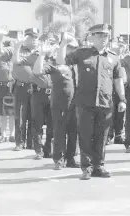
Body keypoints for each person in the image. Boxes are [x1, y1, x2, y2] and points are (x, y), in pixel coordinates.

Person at [58, 24, 126, 180]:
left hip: (106, 102)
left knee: (102, 136)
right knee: (85, 135)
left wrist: (122, 99)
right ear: (92, 37)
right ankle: (87, 167)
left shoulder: (113, 57)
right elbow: (62, 61)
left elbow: (118, 80)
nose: (104, 38)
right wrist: (63, 45)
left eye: (106, 36)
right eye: (100, 35)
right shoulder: (82, 54)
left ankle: (99, 166)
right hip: (85, 103)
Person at [33, 34, 79, 169]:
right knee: (59, 132)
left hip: (74, 103)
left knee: (73, 132)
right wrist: (41, 55)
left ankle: (70, 159)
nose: (73, 50)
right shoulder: (53, 65)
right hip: (59, 104)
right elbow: (37, 71)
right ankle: (58, 159)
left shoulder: (73, 65)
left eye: (74, 47)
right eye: (70, 47)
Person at [12, 28, 40, 151]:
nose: (34, 39)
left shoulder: (40, 52)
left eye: (35, 37)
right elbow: (14, 61)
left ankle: (31, 143)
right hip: (21, 87)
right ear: (25, 38)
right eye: (31, 37)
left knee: (34, 117)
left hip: (35, 88)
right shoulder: (18, 50)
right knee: (20, 117)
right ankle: (19, 142)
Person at [30, 33, 54, 160]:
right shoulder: (34, 56)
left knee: (52, 124)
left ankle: (48, 149)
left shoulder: (56, 58)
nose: (49, 45)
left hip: (53, 94)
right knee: (37, 123)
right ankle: (38, 150)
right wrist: (42, 54)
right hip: (39, 93)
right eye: (46, 42)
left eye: (51, 43)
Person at [0, 29, 13, 138]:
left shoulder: (15, 59)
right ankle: (2, 134)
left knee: (11, 112)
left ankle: (11, 134)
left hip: (11, 87)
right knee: (1, 112)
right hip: (0, 86)